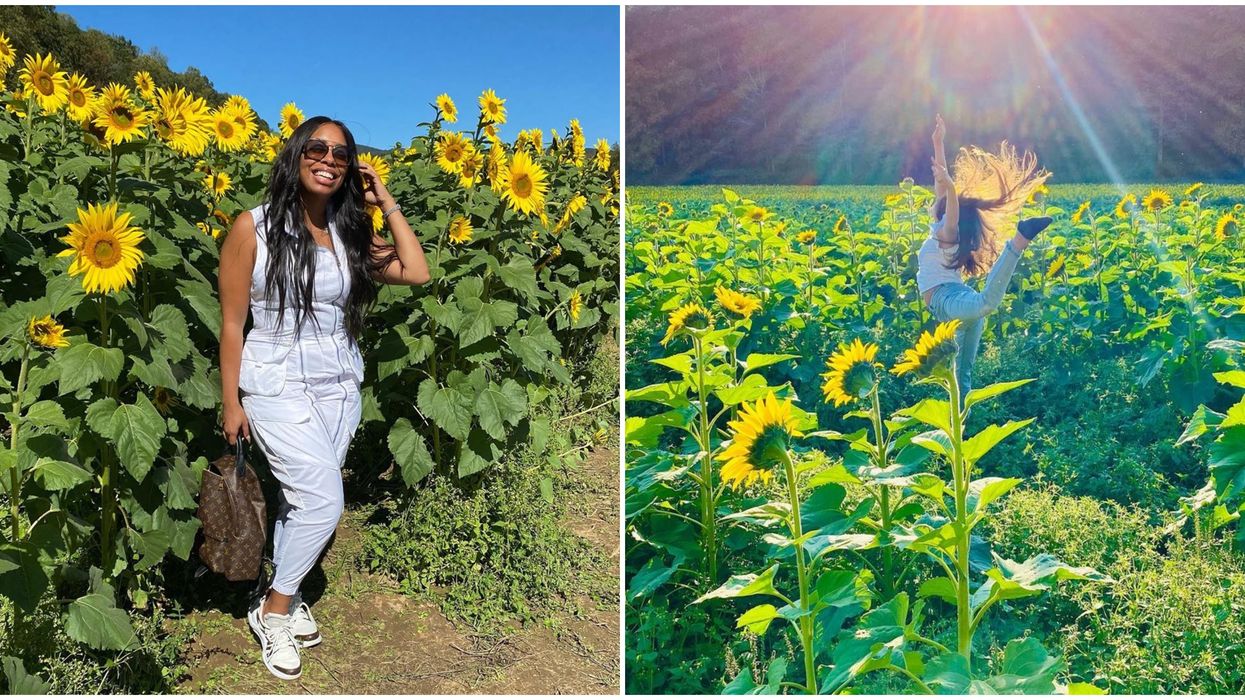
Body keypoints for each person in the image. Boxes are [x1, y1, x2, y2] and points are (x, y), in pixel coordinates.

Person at [217, 116, 431, 679]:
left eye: (341, 154)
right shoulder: (253, 229)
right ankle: (275, 611)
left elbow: (417, 271)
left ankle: (278, 588)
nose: (329, 160)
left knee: (302, 498)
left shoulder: (348, 233)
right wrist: (230, 402)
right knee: (323, 499)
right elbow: (234, 324)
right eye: (317, 148)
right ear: (295, 155)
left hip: (338, 385)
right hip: (275, 381)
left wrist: (383, 199)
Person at [918, 114, 1052, 400]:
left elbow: (949, 203)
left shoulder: (947, 232)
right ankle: (962, 429)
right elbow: (941, 187)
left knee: (986, 303)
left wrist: (952, 185)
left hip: (948, 301)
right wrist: (938, 141)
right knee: (961, 376)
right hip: (954, 304)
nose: (939, 196)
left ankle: (1019, 241)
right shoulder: (937, 224)